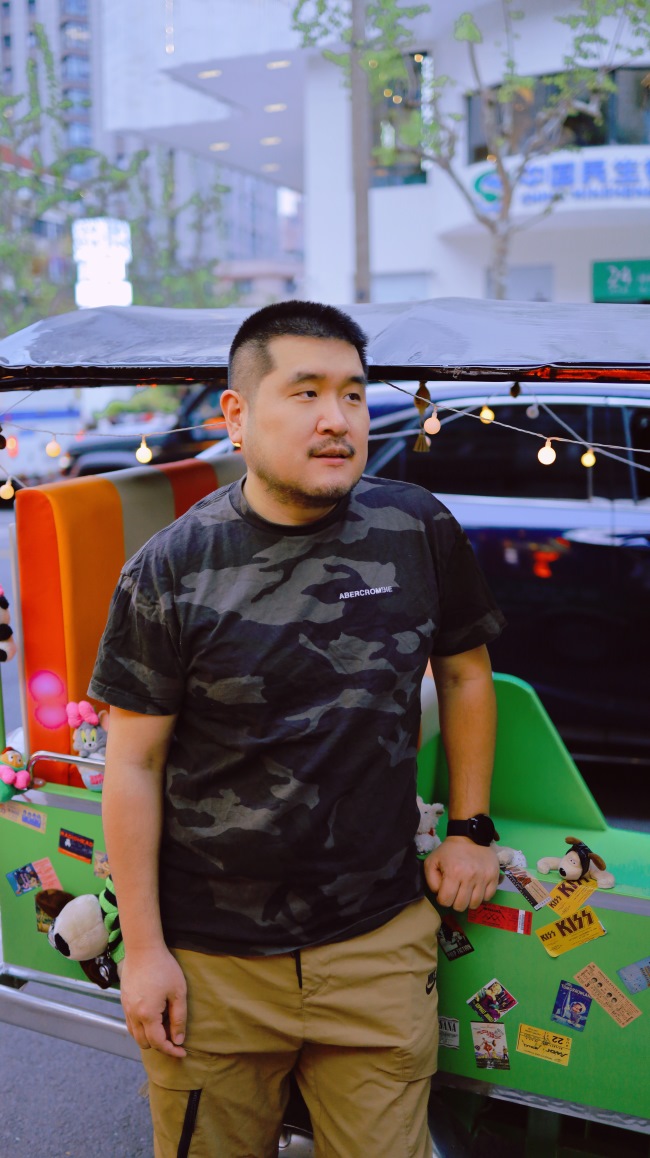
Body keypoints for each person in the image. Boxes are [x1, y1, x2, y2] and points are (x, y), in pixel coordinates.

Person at [90, 300, 505, 1158]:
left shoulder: (415, 528)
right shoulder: (171, 568)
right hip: (212, 964)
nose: (337, 419)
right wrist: (144, 951)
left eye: (353, 394)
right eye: (306, 391)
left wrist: (471, 828)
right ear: (237, 416)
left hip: (376, 945)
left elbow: (467, 673)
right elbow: (133, 764)